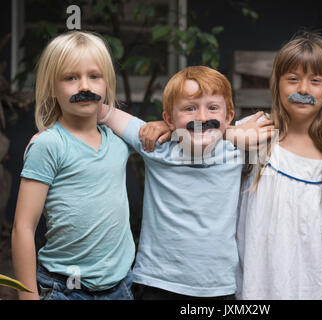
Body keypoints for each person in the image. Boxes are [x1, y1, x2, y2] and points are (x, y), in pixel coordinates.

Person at [97, 65, 274, 299]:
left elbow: (283, 119)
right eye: (189, 109)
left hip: (217, 286)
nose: (201, 117)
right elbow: (103, 112)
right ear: (169, 118)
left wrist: (229, 132)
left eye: (212, 108)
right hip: (158, 283)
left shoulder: (239, 147)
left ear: (229, 115)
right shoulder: (155, 145)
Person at [235, 31, 322, 300]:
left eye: (315, 81)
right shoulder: (256, 134)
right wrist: (166, 125)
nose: (303, 90)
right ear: (277, 85)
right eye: (292, 79)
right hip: (257, 284)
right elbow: (201, 142)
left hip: (311, 286)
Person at [11, 31, 135, 300]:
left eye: (95, 76)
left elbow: (159, 135)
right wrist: (28, 296)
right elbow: (23, 227)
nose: (84, 86)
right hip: (63, 288)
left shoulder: (119, 141)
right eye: (70, 78)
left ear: (107, 83)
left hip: (119, 287)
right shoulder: (48, 145)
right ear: (52, 89)